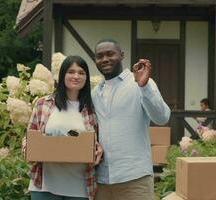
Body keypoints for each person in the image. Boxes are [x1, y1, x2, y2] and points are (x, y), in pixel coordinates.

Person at [92, 39, 171, 200]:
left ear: (121, 55)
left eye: (110, 54)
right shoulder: (94, 93)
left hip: (135, 179)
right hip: (101, 181)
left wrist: (144, 87)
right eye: (99, 56)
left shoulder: (139, 83)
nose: (105, 59)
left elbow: (162, 117)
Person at [24, 56, 103, 200]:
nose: (76, 76)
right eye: (71, 72)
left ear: (86, 78)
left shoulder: (92, 109)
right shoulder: (43, 104)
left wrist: (98, 149)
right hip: (45, 186)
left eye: (81, 72)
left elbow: (96, 142)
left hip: (79, 188)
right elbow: (29, 138)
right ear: (62, 75)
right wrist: (29, 150)